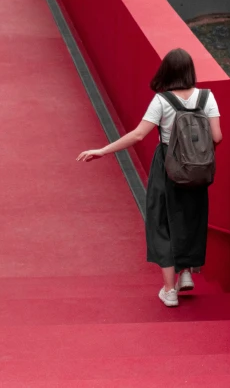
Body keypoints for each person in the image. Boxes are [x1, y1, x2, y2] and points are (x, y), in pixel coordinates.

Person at [77, 48, 222, 307]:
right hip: (198, 171)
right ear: (190, 70)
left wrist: (102, 151)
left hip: (167, 168)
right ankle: (186, 271)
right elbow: (217, 137)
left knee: (161, 221)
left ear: (166, 71)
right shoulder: (207, 97)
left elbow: (138, 135)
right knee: (190, 218)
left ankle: (170, 290)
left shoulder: (162, 101)